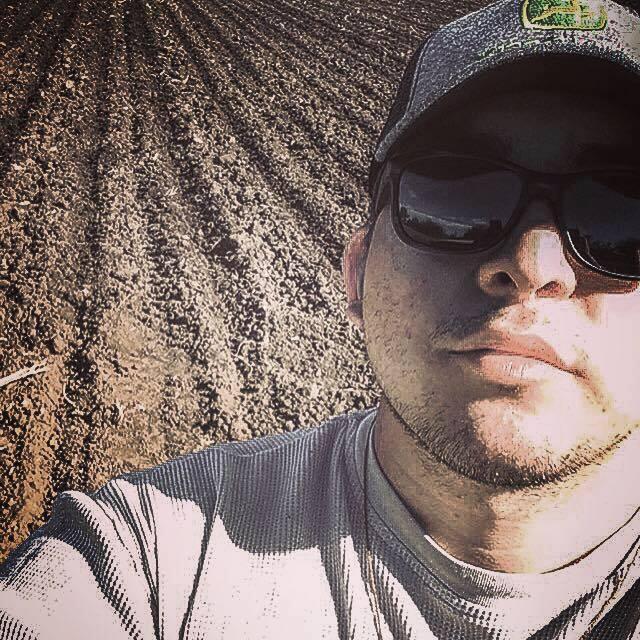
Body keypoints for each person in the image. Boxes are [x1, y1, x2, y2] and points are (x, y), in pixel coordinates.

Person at [2, 0, 640, 637]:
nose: (533, 265)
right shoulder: (148, 564)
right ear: (358, 273)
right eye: (458, 193)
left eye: (622, 220)